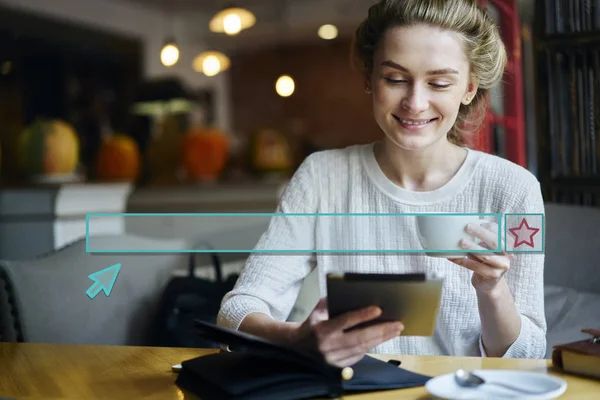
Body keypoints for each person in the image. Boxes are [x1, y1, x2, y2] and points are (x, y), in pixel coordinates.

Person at [217, 0, 546, 367]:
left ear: (468, 88)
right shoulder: (322, 177)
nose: (415, 103)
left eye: (438, 83)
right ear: (369, 80)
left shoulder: (514, 189)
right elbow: (238, 309)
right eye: (395, 79)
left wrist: (493, 291)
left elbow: (530, 354)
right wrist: (296, 338)